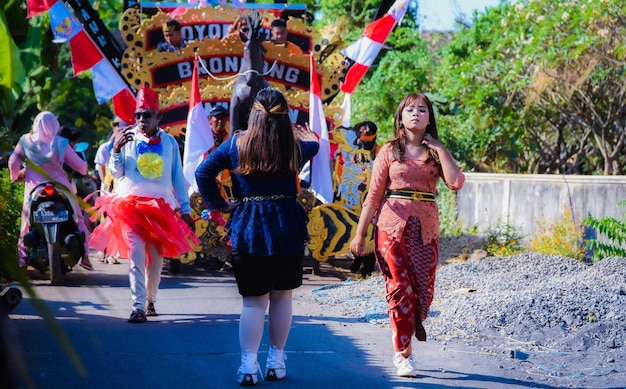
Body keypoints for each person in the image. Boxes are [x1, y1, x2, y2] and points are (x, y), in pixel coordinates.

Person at [195, 88, 319, 386]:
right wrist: (296, 131)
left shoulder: (236, 143)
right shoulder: (294, 147)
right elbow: (315, 143)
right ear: (285, 116)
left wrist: (220, 205)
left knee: (253, 303)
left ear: (253, 114)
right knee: (282, 296)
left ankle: (248, 367)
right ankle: (276, 363)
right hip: (286, 222)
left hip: (248, 222)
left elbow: (202, 173)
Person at [349, 93, 465, 378]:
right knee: (400, 287)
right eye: (410, 109)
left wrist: (441, 148)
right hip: (390, 226)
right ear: (400, 117)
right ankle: (403, 355)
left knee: (422, 294)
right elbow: (374, 195)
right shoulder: (388, 151)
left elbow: (456, 182)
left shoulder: (437, 152)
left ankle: (405, 336)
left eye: (422, 109)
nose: (416, 113)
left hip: (425, 230)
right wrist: (360, 233)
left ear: (429, 118)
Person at [88, 84, 199, 323]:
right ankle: (137, 306)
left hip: (161, 209)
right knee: (136, 256)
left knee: (156, 261)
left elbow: (177, 178)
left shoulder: (169, 143)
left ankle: (150, 300)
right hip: (131, 208)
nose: (141, 119)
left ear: (158, 116)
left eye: (146, 115)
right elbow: (117, 174)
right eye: (138, 115)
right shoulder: (126, 138)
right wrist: (116, 150)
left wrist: (186, 210)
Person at [8, 111, 94, 272]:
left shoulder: (25, 141)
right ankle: (86, 257)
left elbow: (13, 162)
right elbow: (81, 167)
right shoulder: (61, 143)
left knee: (25, 225)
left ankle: (22, 263)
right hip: (61, 189)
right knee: (79, 220)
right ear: (55, 125)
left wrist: (15, 176)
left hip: (34, 190)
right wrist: (84, 169)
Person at [92, 117, 126, 264]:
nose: (119, 130)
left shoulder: (129, 147)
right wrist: (106, 188)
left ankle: (112, 254)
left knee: (117, 221)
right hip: (108, 189)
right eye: (116, 127)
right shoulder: (105, 148)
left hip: (121, 191)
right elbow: (101, 168)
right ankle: (102, 251)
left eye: (122, 128)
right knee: (106, 220)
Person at [349, 120, 381, 277]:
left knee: (372, 231)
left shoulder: (380, 152)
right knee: (355, 227)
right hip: (354, 196)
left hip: (374, 196)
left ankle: (368, 265)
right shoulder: (351, 153)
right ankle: (356, 258)